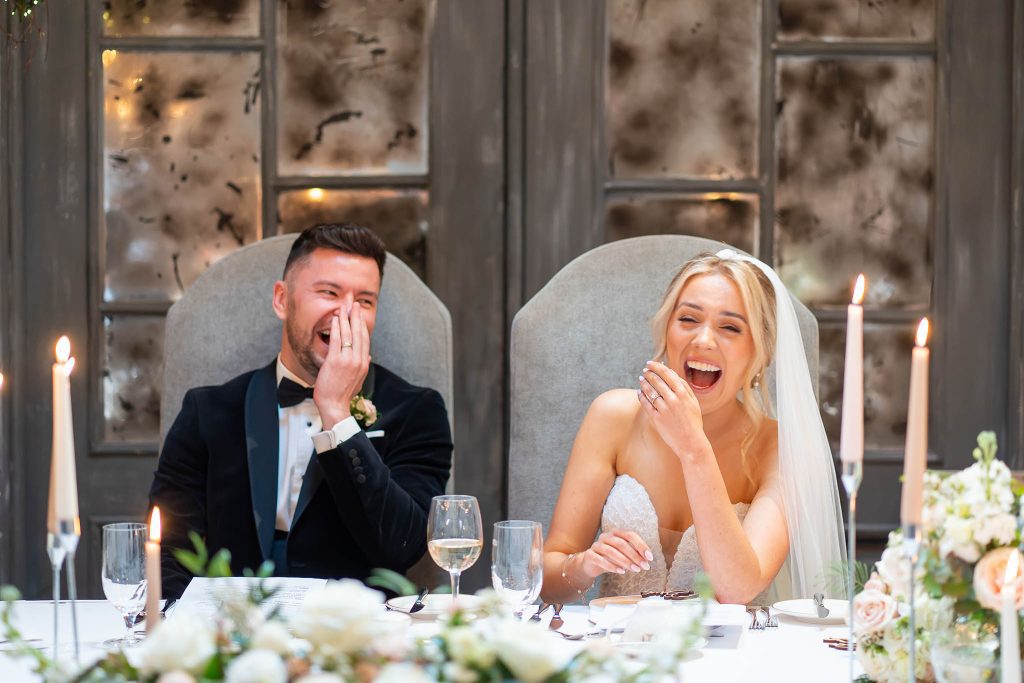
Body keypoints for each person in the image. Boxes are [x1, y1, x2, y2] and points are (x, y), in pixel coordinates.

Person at [150, 223, 453, 599]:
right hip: (234, 633)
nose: (346, 313)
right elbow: (169, 550)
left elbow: (402, 546)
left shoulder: (417, 411)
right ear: (282, 299)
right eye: (329, 292)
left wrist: (338, 414)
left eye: (364, 301)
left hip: (354, 637)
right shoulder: (207, 410)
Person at [541, 249, 844, 604]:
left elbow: (737, 589)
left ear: (760, 353)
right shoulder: (612, 416)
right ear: (667, 330)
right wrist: (583, 566)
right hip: (622, 653)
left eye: (730, 327)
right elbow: (547, 582)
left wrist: (693, 449)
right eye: (688, 319)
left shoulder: (779, 448)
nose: (703, 340)